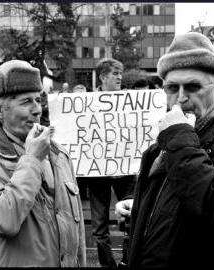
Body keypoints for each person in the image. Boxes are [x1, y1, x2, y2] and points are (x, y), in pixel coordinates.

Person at [115, 32, 214, 268]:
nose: (180, 98)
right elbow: (172, 197)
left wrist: (179, 136)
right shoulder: (165, 143)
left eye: (193, 87)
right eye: (172, 88)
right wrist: (137, 205)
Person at [0, 60, 86, 267]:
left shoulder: (58, 154)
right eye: (26, 102)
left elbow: (76, 233)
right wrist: (32, 160)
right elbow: (4, 220)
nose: (37, 109)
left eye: (38, 100)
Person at [82, 58, 136, 267]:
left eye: (121, 73)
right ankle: (107, 264)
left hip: (126, 171)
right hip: (98, 174)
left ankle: (128, 259)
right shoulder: (86, 104)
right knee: (99, 226)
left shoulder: (130, 102)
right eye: (115, 73)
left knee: (131, 219)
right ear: (103, 77)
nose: (120, 77)